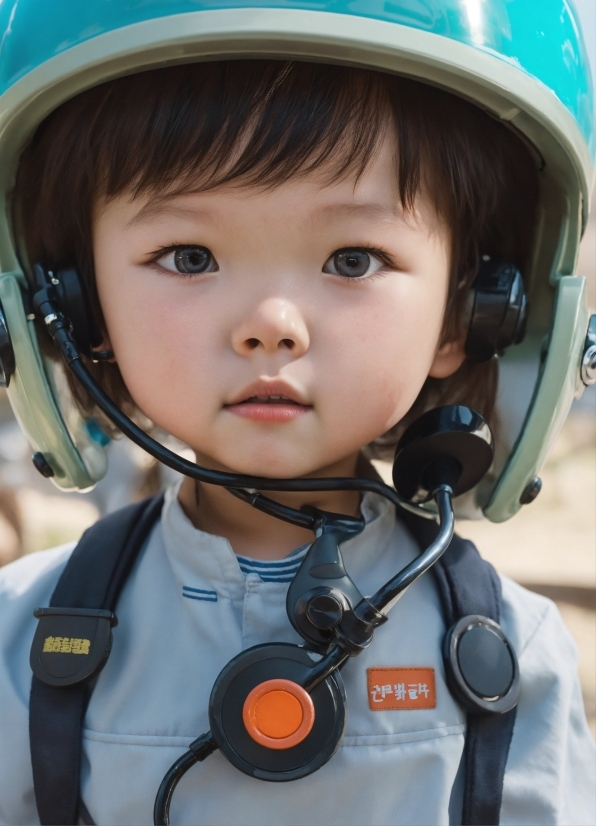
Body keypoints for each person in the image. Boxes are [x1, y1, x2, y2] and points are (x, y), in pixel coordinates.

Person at [0, 3, 594, 825]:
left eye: (353, 259)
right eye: (190, 256)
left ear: (474, 312)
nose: (270, 321)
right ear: (72, 307)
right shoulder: (17, 645)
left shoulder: (506, 652)